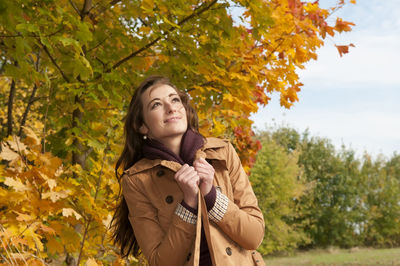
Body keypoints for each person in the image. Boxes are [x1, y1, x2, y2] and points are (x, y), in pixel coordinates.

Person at [111, 75, 265, 266]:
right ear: (142, 126)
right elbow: (162, 263)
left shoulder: (222, 153)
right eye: (156, 105)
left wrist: (211, 196)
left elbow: (255, 235)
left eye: (175, 99)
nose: (171, 108)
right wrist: (188, 204)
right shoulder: (136, 180)